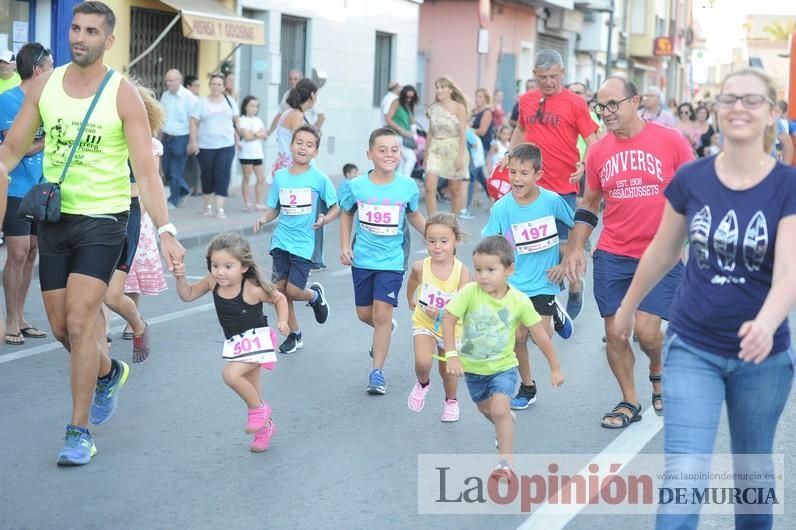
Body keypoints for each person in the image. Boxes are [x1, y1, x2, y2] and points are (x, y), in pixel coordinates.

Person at [0, 0, 184, 466]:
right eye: (75, 29)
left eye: (90, 31)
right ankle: (108, 372)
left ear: (109, 40)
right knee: (63, 327)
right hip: (54, 217)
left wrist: (166, 230)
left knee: (82, 321)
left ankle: (78, 431)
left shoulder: (122, 95)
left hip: (104, 220)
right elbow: (10, 153)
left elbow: (146, 171)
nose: (79, 37)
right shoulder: (44, 87)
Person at [614, 68, 796, 529]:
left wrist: (767, 322)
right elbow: (663, 250)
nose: (739, 107)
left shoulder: (787, 187)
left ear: (772, 113)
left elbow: (790, 271)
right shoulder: (692, 179)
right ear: (716, 109)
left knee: (752, 483)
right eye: (730, 98)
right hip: (693, 346)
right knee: (685, 476)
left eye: (752, 100)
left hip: (763, 359)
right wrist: (629, 306)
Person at [563, 76, 694, 428]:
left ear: (635, 101)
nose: (605, 112)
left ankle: (658, 366)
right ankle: (629, 401)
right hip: (614, 252)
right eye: (599, 106)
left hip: (660, 255)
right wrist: (576, 247)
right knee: (617, 332)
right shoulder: (597, 151)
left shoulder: (672, 142)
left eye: (612, 104)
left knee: (649, 333)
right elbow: (589, 203)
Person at [443, 235, 564, 476]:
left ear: (509, 269)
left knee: (499, 410)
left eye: (490, 269)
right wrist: (451, 355)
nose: (483, 276)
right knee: (487, 411)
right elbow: (449, 319)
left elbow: (539, 334)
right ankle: (505, 423)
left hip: (503, 368)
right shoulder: (470, 292)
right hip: (473, 369)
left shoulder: (519, 300)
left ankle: (505, 464)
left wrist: (555, 367)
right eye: (478, 269)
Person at [173, 232, 289, 452]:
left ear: (244, 267)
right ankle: (265, 427)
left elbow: (279, 298)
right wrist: (180, 277)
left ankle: (261, 412)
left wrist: (283, 321)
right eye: (215, 265)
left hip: (259, 342)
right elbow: (187, 295)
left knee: (231, 375)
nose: (220, 272)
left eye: (228, 266)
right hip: (237, 344)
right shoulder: (212, 282)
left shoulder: (252, 288)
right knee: (252, 389)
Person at [508, 50, 600, 320]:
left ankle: (574, 284)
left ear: (562, 74)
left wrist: (585, 164)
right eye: (542, 77)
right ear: (534, 75)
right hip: (530, 184)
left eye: (553, 77)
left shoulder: (574, 103)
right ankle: (539, 301)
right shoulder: (526, 100)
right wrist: (510, 155)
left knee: (564, 244)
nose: (548, 82)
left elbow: (592, 138)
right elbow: (521, 130)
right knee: (531, 243)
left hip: (562, 186)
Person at [482, 143, 574, 410]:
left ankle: (556, 312)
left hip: (544, 280)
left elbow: (576, 228)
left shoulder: (551, 201)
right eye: (512, 172)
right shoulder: (502, 208)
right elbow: (491, 241)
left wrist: (566, 260)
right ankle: (528, 387)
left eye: (524, 173)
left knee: (539, 335)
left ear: (538, 175)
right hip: (514, 283)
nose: (516, 179)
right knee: (518, 337)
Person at [339, 127, 426, 394]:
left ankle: (377, 372)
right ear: (370, 154)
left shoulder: (407, 186)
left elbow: (413, 215)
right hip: (363, 259)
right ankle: (385, 328)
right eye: (382, 149)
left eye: (394, 149)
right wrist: (344, 245)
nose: (389, 154)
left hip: (392, 261)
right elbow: (346, 213)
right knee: (365, 314)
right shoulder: (356, 186)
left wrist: (435, 236)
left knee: (381, 314)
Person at [254, 125, 338, 354]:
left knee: (293, 290)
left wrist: (324, 220)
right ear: (291, 146)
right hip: (281, 240)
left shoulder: (319, 178)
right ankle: (294, 334)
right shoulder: (280, 177)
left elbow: (335, 207)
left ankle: (314, 296)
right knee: (279, 290)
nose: (303, 147)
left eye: (309, 145)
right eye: (299, 142)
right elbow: (274, 209)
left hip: (303, 243)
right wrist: (264, 218)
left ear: (315, 152)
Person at [103, 82, 165, 363]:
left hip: (134, 210)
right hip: (104, 207)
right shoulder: (109, 137)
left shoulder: (149, 143)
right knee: (102, 277)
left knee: (132, 271)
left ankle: (134, 320)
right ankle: (102, 328)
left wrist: (162, 224)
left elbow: (152, 180)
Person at [0, 43, 52, 345]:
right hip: (16, 187)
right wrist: (50, 138)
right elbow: (15, 148)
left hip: (42, 187)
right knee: (17, 253)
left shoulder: (48, 101)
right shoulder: (9, 101)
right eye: (51, 66)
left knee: (32, 252)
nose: (55, 71)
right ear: (38, 70)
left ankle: (20, 318)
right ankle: (9, 321)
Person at [406, 212, 470, 420]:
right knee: (423, 363)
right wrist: (410, 299)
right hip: (424, 321)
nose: (437, 246)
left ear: (455, 241)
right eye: (431, 241)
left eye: (444, 241)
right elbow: (413, 281)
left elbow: (463, 304)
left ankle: (451, 401)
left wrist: (442, 312)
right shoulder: (420, 266)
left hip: (451, 328)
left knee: (447, 371)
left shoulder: (462, 271)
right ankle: (423, 383)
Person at [188, 73, 239, 219]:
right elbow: (193, 122)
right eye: (213, 84)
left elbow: (236, 120)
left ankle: (220, 209)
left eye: (219, 84)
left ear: (223, 87)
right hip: (206, 145)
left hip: (226, 145)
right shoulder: (201, 102)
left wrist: (238, 137)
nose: (216, 86)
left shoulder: (229, 101)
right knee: (207, 175)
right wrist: (193, 141)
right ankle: (208, 206)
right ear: (210, 85)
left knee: (222, 175)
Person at [424, 76, 470, 216]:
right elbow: (430, 132)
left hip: (454, 149)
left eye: (442, 87)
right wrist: (426, 155)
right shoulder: (433, 108)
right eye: (437, 87)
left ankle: (453, 223)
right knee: (429, 188)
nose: (439, 90)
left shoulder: (459, 107)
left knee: (455, 189)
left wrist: (460, 157)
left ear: (450, 90)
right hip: (436, 149)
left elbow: (463, 133)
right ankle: (432, 222)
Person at [160, 68, 196, 208]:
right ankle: (185, 189)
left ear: (179, 81)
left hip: (181, 138)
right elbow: (162, 118)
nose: (168, 83)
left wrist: (193, 142)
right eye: (167, 80)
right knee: (167, 170)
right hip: (167, 137)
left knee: (175, 171)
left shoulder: (189, 97)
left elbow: (194, 121)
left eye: (171, 81)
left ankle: (173, 200)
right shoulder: (165, 96)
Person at [271, 78, 318, 177]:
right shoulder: (297, 115)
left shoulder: (289, 112)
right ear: (312, 96)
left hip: (286, 165)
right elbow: (300, 145)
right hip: (294, 168)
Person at [238, 95, 268, 211]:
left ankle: (259, 202)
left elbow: (265, 135)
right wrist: (257, 134)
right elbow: (247, 137)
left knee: (261, 178)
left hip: (257, 153)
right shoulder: (242, 120)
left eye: (256, 106)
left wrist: (254, 134)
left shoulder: (258, 120)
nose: (254, 108)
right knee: (247, 177)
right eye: (251, 106)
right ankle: (247, 203)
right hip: (246, 153)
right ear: (245, 106)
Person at [466, 88, 494, 213]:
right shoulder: (473, 112)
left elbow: (482, 131)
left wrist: (469, 131)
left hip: (482, 145)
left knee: (474, 173)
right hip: (471, 144)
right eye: (477, 96)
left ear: (486, 99)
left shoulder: (487, 112)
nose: (478, 99)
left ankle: (467, 205)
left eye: (481, 97)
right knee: (479, 174)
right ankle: (491, 196)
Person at [385, 85, 419, 178]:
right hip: (395, 135)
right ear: (403, 95)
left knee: (404, 162)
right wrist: (401, 130)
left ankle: (398, 185)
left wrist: (412, 131)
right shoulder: (396, 102)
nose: (409, 99)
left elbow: (412, 122)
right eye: (407, 97)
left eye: (411, 97)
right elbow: (388, 118)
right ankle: (405, 183)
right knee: (411, 159)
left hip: (405, 137)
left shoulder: (409, 106)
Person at [773, 100, 793, 164]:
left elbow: (788, 144)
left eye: (777, 111)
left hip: (779, 144)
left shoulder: (781, 122)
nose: (775, 113)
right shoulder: (785, 121)